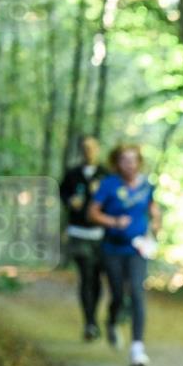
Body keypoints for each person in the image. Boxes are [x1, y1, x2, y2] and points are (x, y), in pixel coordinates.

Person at [87, 144, 161, 366]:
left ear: (139, 161)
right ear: (117, 163)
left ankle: (137, 348)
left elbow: (154, 211)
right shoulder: (109, 185)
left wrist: (156, 225)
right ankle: (111, 322)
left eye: (133, 160)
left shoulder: (147, 185)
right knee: (117, 293)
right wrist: (113, 222)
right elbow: (92, 213)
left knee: (138, 293)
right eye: (124, 160)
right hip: (112, 249)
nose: (129, 164)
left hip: (138, 249)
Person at [59, 135, 108, 341]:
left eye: (92, 147)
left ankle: (93, 319)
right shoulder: (72, 174)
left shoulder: (106, 175)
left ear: (98, 149)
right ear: (81, 150)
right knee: (86, 276)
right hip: (78, 234)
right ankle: (89, 322)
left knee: (97, 279)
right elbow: (61, 194)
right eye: (85, 147)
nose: (89, 151)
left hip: (101, 235)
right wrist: (71, 202)